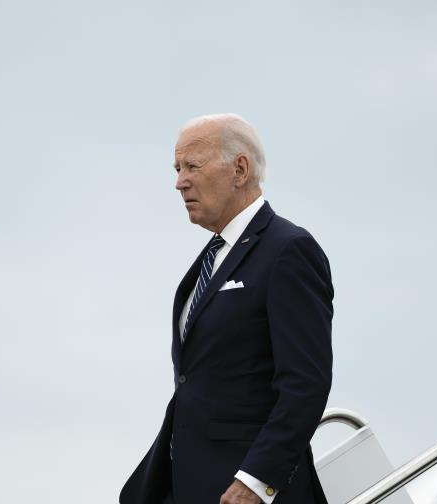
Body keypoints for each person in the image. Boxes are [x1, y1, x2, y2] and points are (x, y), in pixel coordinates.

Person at [120, 114, 333, 504]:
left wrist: (257, 481)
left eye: (193, 166)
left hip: (247, 493)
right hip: (189, 485)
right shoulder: (209, 260)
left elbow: (306, 384)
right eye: (178, 168)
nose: (179, 181)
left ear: (240, 169)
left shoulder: (288, 250)